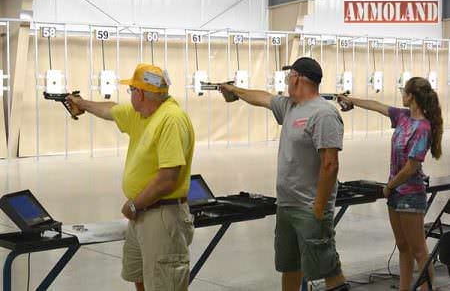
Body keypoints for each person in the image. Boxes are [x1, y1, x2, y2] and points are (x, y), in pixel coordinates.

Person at [221, 57, 349, 291]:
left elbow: (330, 165)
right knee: (289, 267)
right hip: (287, 205)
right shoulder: (290, 106)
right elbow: (262, 98)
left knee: (328, 270)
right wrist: (233, 89)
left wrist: (319, 207)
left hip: (310, 208)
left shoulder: (324, 114)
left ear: (298, 78)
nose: (287, 80)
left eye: (289, 75)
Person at [67, 63, 195, 291]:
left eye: (132, 90)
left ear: (142, 93)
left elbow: (168, 178)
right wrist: (82, 103)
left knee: (165, 283)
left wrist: (135, 205)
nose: (130, 94)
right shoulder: (142, 113)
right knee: (141, 276)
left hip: (161, 215)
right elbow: (110, 110)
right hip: (144, 214)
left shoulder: (170, 120)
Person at [338, 77, 443, 291]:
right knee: (403, 246)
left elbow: (411, 167)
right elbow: (377, 106)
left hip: (410, 194)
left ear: (411, 96)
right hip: (396, 193)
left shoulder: (422, 128)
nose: (402, 96)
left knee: (418, 250)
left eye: (404, 92)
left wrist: (390, 186)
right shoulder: (403, 117)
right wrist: (352, 101)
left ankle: (429, 288)